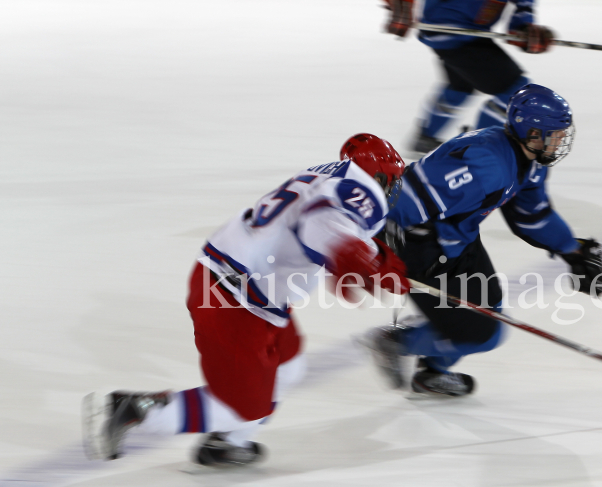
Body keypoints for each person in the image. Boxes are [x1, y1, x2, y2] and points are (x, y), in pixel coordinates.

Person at [83, 134, 410, 468]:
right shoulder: (361, 188)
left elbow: (326, 217)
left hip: (237, 286)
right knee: (239, 407)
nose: (393, 190)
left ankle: (228, 441)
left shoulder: (327, 174)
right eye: (392, 180)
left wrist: (370, 254)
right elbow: (322, 223)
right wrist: (360, 258)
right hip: (234, 300)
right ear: (379, 176)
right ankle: (131, 411)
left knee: (288, 365)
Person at [362, 83, 602, 397]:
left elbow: (533, 219)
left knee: (490, 320)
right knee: (482, 332)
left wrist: (574, 251)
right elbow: (408, 194)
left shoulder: (529, 165)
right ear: (533, 133)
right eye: (555, 133)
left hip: (459, 242)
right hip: (421, 249)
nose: (560, 141)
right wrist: (384, 240)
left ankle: (432, 373)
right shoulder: (485, 166)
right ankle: (396, 342)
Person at [384, 0, 557, 154]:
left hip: (466, 34)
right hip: (455, 32)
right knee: (514, 92)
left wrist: (525, 30)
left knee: (460, 89)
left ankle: (426, 137)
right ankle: (476, 148)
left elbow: (522, 9)